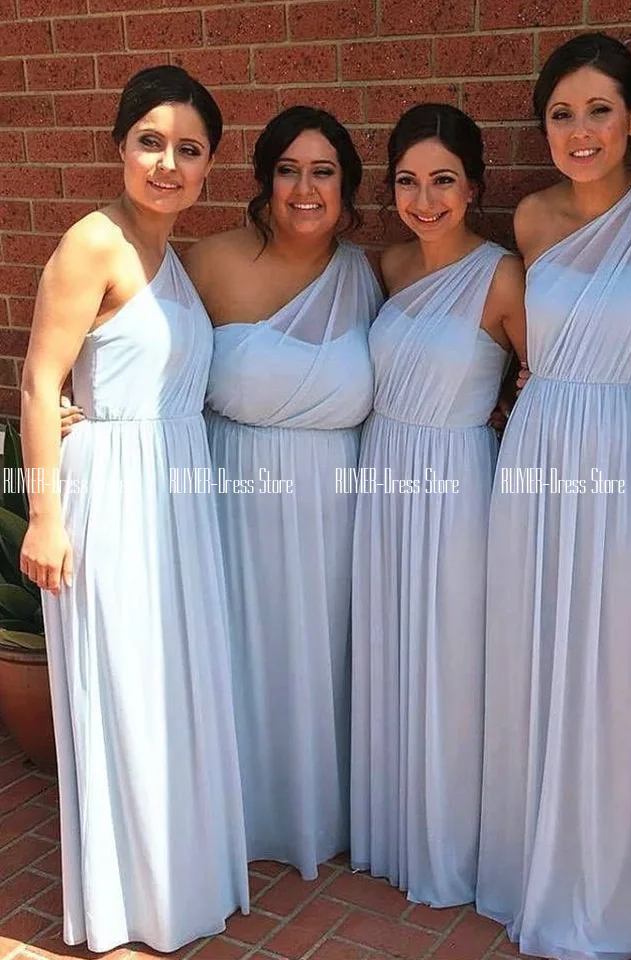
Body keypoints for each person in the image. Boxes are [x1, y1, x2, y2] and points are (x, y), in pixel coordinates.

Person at [477, 32, 631, 960]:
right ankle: (532, 865)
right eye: (562, 114)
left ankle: (614, 893)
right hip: (540, 448)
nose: (581, 131)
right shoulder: (531, 217)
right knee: (535, 646)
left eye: (599, 111)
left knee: (627, 659)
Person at [19, 65, 248, 953]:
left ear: (209, 165)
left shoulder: (172, 257)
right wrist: (46, 517)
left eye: (189, 149)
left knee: (167, 684)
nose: (168, 164)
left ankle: (176, 878)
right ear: (120, 145)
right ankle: (127, 902)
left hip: (174, 493)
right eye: (151, 142)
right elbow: (38, 381)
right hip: (109, 499)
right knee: (122, 689)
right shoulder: (94, 242)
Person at [185, 106, 382, 879]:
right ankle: (239, 811)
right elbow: (151, 363)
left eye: (323, 171)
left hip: (338, 506)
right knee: (243, 653)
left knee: (326, 660)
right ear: (265, 180)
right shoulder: (208, 262)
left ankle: (321, 812)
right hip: (236, 494)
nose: (305, 188)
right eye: (289, 170)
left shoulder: (368, 276)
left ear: (347, 187)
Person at [350, 103, 525, 906]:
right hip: (383, 470)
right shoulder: (388, 267)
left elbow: (545, 382)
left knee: (451, 655)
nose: (425, 201)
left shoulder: (502, 275)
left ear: (475, 187)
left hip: (456, 480)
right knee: (389, 642)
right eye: (408, 182)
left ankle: (448, 844)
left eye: (444, 181)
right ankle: (391, 829)